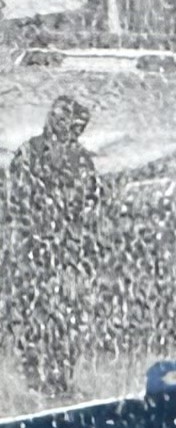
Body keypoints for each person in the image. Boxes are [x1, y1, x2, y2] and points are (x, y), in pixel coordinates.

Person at [3, 95, 103, 395]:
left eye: (77, 127)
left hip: (66, 251)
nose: (72, 132)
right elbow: (14, 201)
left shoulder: (81, 160)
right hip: (34, 248)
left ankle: (60, 377)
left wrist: (79, 239)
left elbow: (91, 203)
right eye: (67, 124)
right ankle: (35, 378)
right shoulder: (29, 153)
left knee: (66, 314)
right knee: (34, 313)